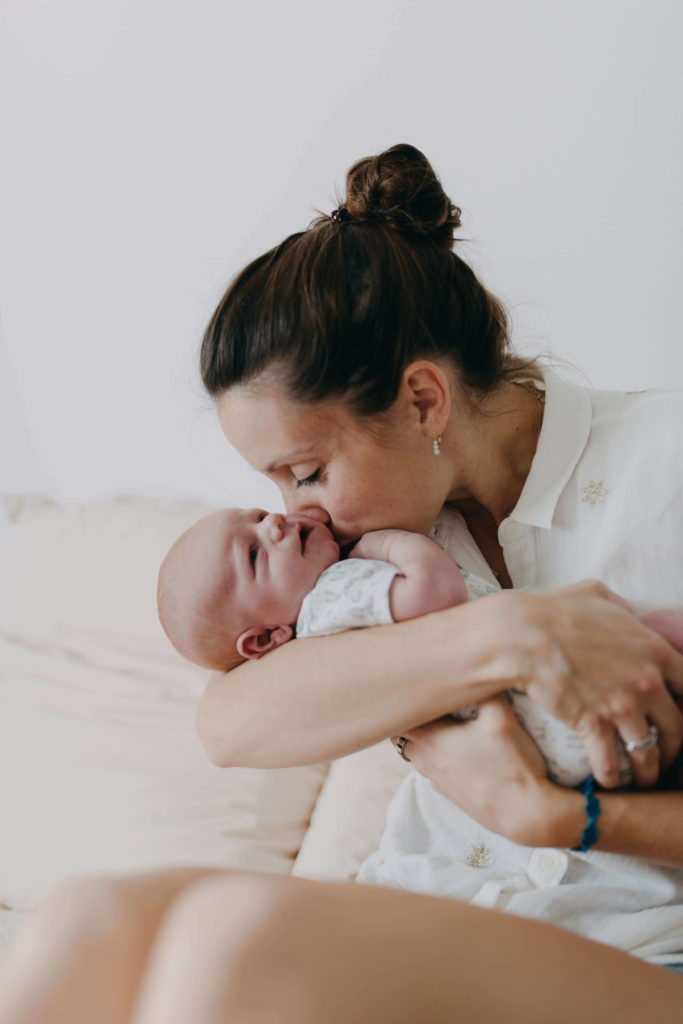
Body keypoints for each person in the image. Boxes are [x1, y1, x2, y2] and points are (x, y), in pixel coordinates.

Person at [2, 143, 683, 1024]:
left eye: (307, 471)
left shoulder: (660, 467)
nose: (298, 512)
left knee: (240, 938)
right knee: (89, 916)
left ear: (424, 402)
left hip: (636, 951)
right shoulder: (374, 553)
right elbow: (231, 722)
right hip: (426, 909)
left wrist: (553, 818)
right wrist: (514, 635)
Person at [157, 507, 683, 787]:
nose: (274, 519)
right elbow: (436, 593)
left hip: (552, 739)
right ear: (267, 638)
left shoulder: (319, 632)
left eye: (255, 514)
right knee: (657, 630)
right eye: (253, 554)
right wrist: (388, 543)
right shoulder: (334, 594)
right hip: (556, 709)